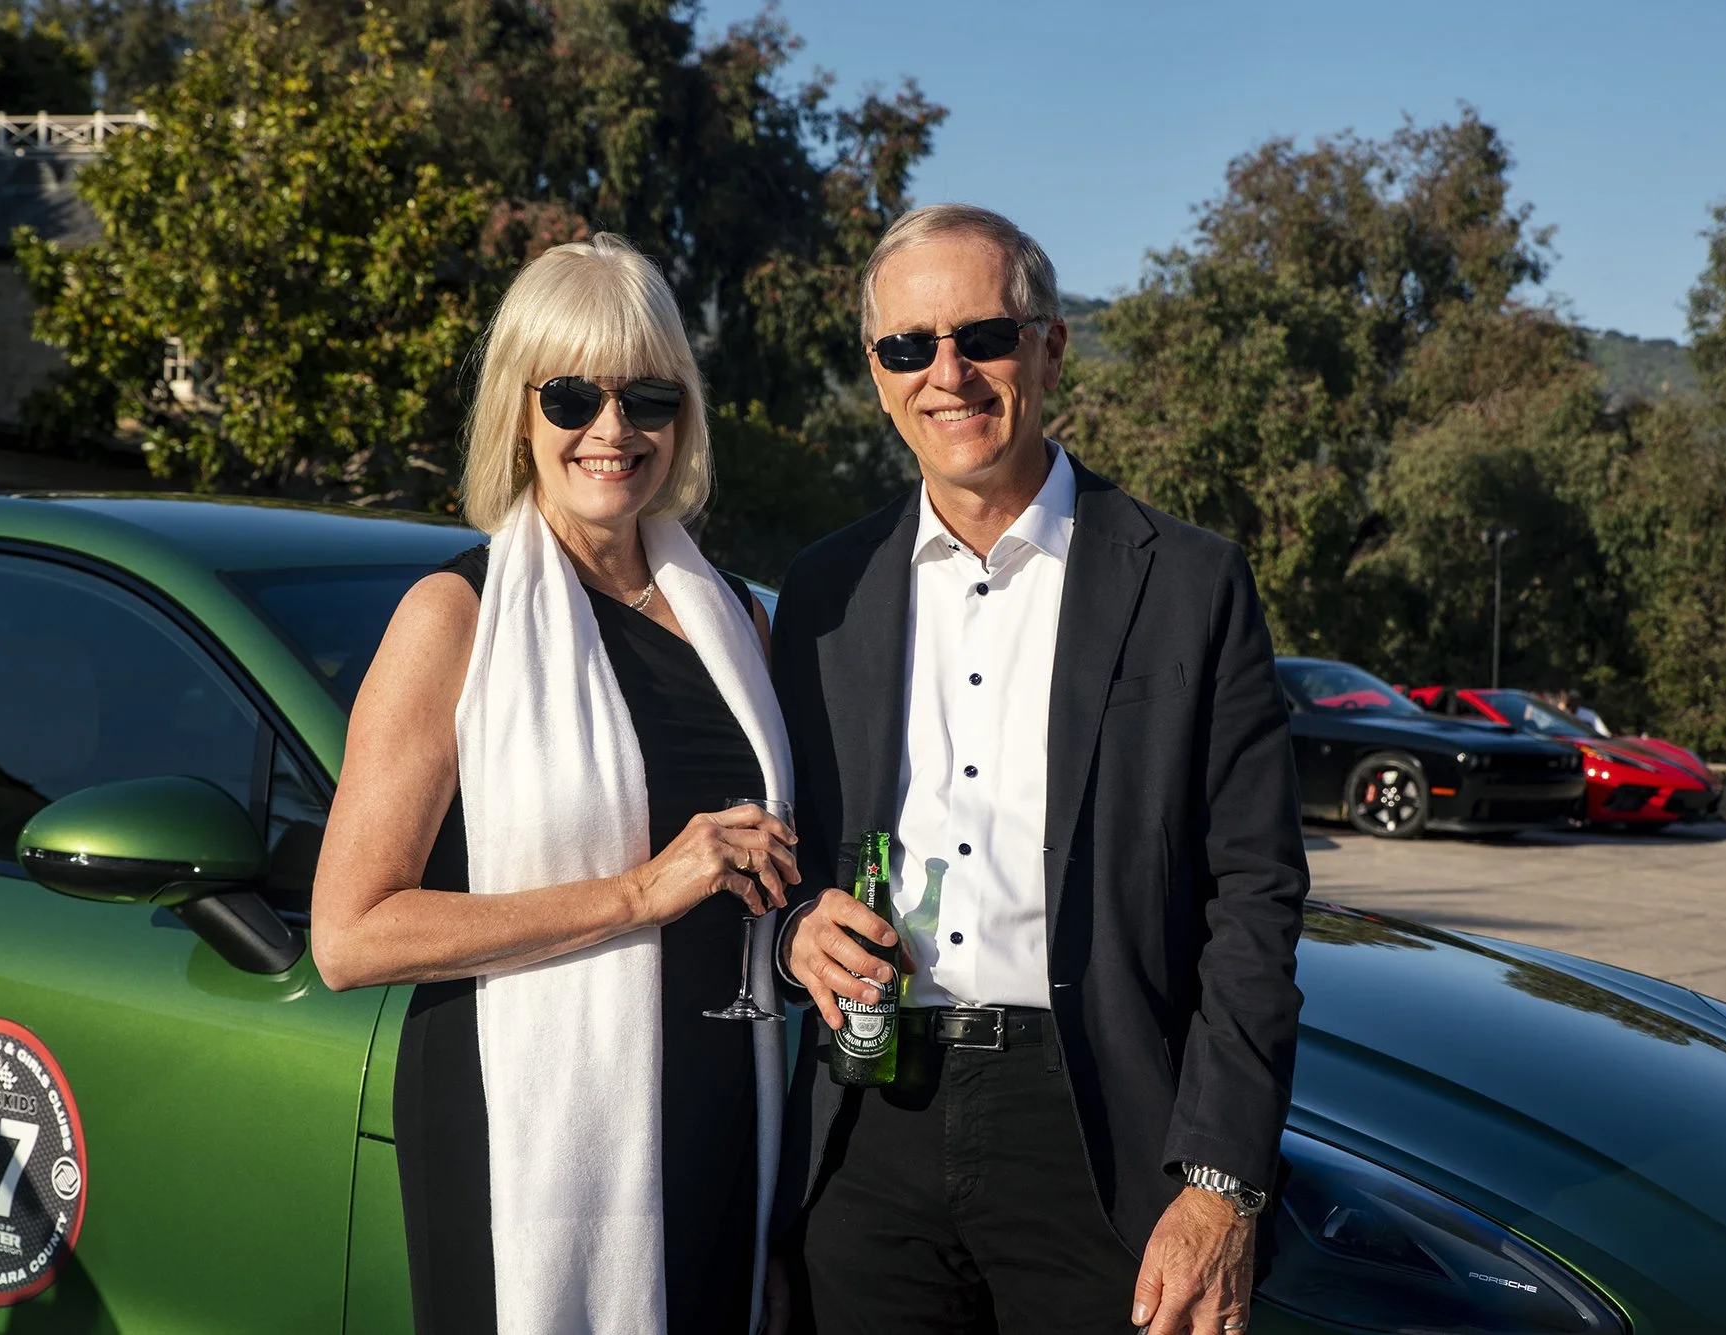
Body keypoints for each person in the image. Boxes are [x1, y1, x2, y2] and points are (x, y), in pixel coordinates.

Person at [768, 205, 1310, 1335]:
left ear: (1050, 348)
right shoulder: (822, 592)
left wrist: (1219, 1187)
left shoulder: (1190, 584)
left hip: (1098, 1132)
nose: (947, 375)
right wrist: (791, 933)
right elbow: (788, 849)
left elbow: (1253, 902)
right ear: (876, 376)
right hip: (867, 1126)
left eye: (984, 337)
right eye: (907, 348)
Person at [310, 233, 798, 1335]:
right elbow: (349, 936)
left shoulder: (741, 619)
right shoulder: (454, 619)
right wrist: (638, 893)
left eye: (649, 398)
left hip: (725, 1119)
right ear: (518, 411)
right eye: (572, 396)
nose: (612, 432)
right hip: (523, 1134)